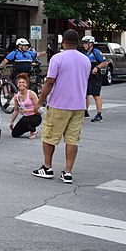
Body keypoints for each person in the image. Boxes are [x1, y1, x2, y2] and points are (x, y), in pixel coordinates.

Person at [33, 29, 91, 184]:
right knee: (72, 139)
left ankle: (47, 167)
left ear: (63, 42)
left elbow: (49, 81)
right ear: (78, 43)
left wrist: (40, 101)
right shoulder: (85, 60)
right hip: (79, 105)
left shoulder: (57, 58)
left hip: (59, 104)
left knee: (49, 136)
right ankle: (67, 171)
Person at [81, 35, 107, 122]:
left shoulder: (96, 52)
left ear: (91, 44)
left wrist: (97, 68)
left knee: (96, 95)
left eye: (86, 43)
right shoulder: (84, 54)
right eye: (84, 43)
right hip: (86, 76)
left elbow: (105, 62)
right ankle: (85, 112)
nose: (84, 45)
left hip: (95, 77)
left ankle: (99, 114)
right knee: (85, 95)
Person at [9, 73, 41, 138]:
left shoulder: (31, 94)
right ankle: (29, 127)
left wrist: (27, 110)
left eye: (23, 82)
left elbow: (38, 108)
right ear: (17, 84)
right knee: (14, 134)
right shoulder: (16, 97)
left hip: (35, 116)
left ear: (26, 84)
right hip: (26, 118)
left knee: (25, 121)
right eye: (19, 82)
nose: (21, 84)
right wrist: (11, 122)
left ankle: (33, 131)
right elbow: (16, 110)